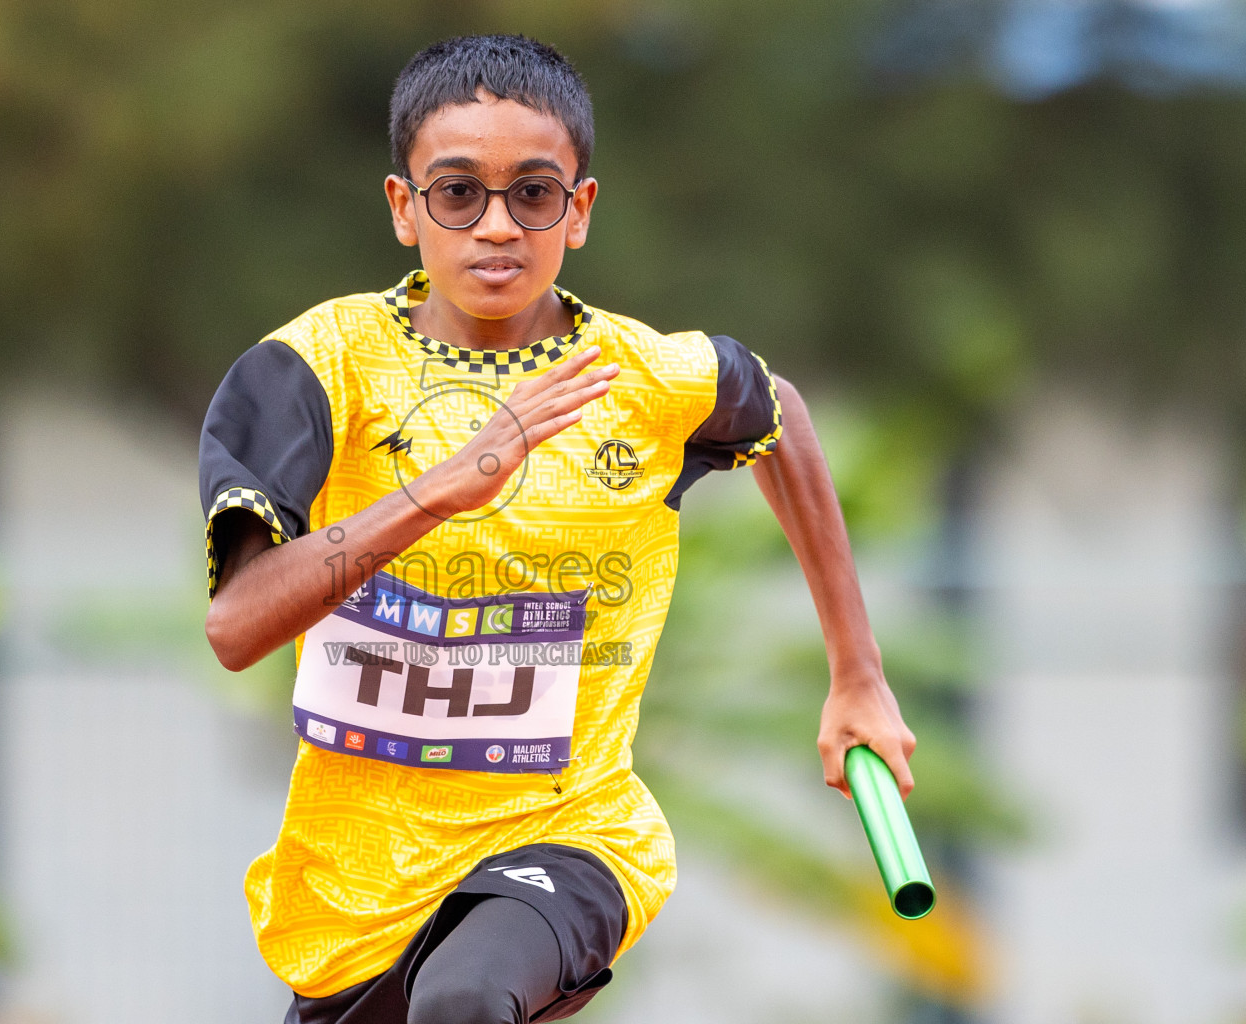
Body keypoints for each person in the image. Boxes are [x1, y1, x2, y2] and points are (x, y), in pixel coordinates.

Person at [200, 34, 915, 1024]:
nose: (497, 226)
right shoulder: (315, 370)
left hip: (571, 834)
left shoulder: (644, 379)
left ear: (577, 210)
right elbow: (237, 626)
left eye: (531, 193)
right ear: (405, 207)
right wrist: (448, 485)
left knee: (463, 999)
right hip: (358, 893)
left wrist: (856, 673)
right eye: (458, 193)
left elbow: (778, 412)